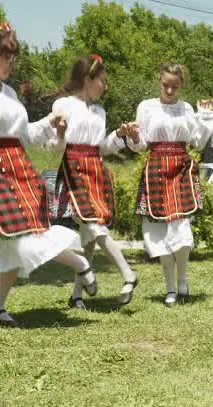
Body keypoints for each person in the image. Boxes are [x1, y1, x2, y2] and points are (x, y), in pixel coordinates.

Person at [0, 22, 96, 328]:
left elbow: (22, 134)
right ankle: (80, 263)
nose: (11, 63)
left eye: (14, 57)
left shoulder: (10, 92)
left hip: (18, 167)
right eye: (6, 56)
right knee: (19, 236)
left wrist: (50, 123)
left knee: (18, 237)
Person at [52, 54, 141, 309]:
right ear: (88, 79)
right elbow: (56, 146)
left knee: (89, 235)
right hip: (74, 168)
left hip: (94, 169)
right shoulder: (63, 105)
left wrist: (119, 135)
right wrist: (59, 135)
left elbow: (101, 148)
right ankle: (127, 274)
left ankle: (76, 295)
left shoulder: (100, 112)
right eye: (101, 80)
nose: (105, 85)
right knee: (93, 225)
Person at [128, 62, 213, 307]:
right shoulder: (146, 107)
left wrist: (206, 117)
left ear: (181, 86)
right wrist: (132, 135)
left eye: (174, 87)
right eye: (166, 85)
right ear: (159, 82)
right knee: (159, 232)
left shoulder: (186, 108)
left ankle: (183, 280)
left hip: (180, 168)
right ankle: (170, 288)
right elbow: (140, 144)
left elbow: (197, 142)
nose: (169, 91)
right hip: (155, 169)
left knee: (181, 228)